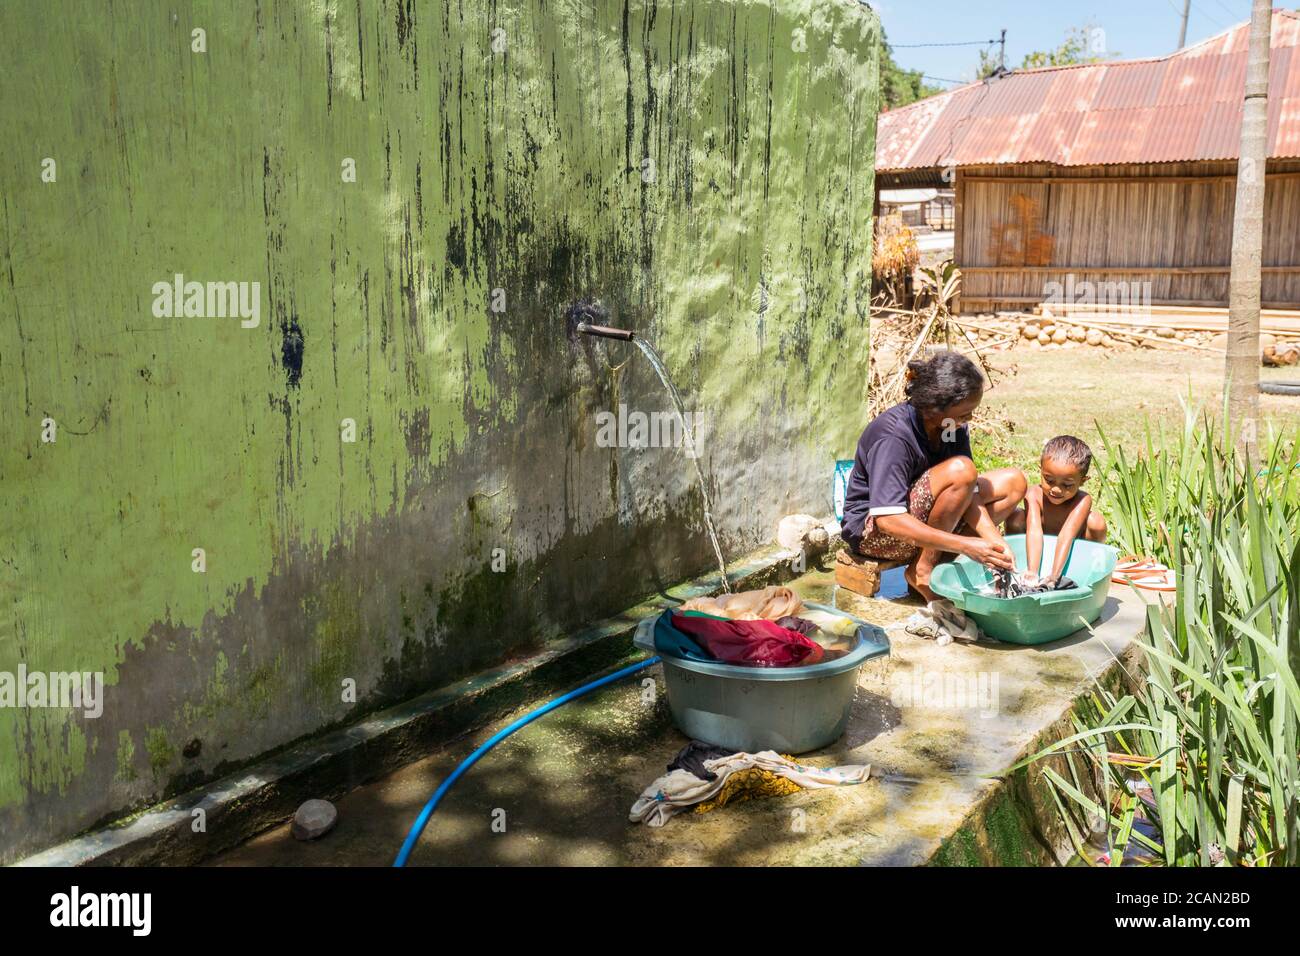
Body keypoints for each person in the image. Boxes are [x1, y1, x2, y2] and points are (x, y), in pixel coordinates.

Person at [840, 351, 1026, 601]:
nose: (969, 419)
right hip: (876, 534)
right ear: (934, 407)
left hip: (922, 518)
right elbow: (888, 519)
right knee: (961, 470)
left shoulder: (949, 426)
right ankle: (923, 571)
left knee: (1013, 482)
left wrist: (995, 544)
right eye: (964, 413)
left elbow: (968, 494)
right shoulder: (894, 437)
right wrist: (967, 546)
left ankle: (937, 565)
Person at [1005, 435, 1107, 586]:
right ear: (1040, 471)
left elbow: (1067, 535)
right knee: (1015, 517)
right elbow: (1033, 532)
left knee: (1096, 522)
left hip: (1071, 553)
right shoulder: (1034, 494)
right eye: (1049, 480)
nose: (1056, 489)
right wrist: (1032, 572)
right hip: (1034, 549)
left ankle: (1091, 571)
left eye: (1067, 485)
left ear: (1082, 481)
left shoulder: (1082, 500)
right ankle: (1014, 565)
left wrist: (1054, 576)